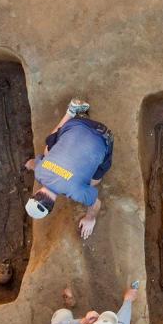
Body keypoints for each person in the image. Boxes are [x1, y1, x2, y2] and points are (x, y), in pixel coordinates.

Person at [24, 99, 113, 239]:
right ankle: (71, 111)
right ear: (35, 194)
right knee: (47, 150)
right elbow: (33, 163)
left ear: (51, 207)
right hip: (76, 124)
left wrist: (90, 219)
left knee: (94, 182)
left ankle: (73, 113)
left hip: (103, 136)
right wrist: (30, 165)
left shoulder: (76, 192)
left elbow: (96, 203)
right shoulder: (40, 172)